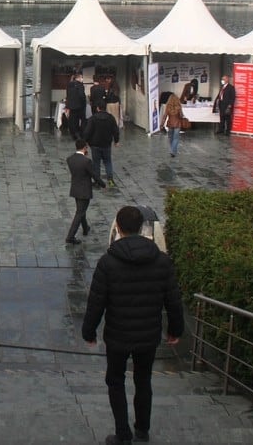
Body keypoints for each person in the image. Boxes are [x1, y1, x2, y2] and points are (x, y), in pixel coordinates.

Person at [82, 205, 184, 445]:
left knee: (115, 380)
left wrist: (89, 332)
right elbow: (173, 300)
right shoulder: (162, 261)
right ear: (141, 228)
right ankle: (142, 430)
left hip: (117, 334)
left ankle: (122, 433)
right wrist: (175, 330)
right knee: (143, 380)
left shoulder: (108, 262)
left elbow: (96, 301)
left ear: (117, 227)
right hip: (148, 335)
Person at [65, 139, 96, 244]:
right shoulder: (86, 161)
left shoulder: (70, 159)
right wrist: (102, 184)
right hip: (85, 190)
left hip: (75, 189)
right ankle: (70, 236)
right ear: (85, 148)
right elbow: (94, 175)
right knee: (80, 212)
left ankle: (85, 227)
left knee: (81, 210)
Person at [82, 103, 119, 187]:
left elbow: (87, 131)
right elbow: (115, 131)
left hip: (95, 145)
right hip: (106, 144)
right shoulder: (111, 118)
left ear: (98, 108)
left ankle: (97, 181)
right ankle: (110, 180)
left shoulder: (93, 118)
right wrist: (116, 141)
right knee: (108, 162)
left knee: (96, 163)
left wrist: (85, 141)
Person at [160, 93, 185, 158]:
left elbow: (165, 116)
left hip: (170, 124)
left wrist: (162, 124)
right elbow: (181, 115)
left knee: (170, 138)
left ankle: (172, 150)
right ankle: (173, 151)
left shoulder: (168, 106)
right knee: (176, 138)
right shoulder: (179, 106)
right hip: (177, 124)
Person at [65, 72, 87, 140]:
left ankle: (73, 134)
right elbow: (81, 95)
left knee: (73, 120)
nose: (82, 79)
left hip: (71, 106)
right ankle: (81, 134)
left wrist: (68, 105)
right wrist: (84, 102)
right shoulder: (80, 85)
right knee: (83, 120)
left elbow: (68, 95)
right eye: (82, 77)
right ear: (79, 77)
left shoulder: (69, 84)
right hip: (80, 106)